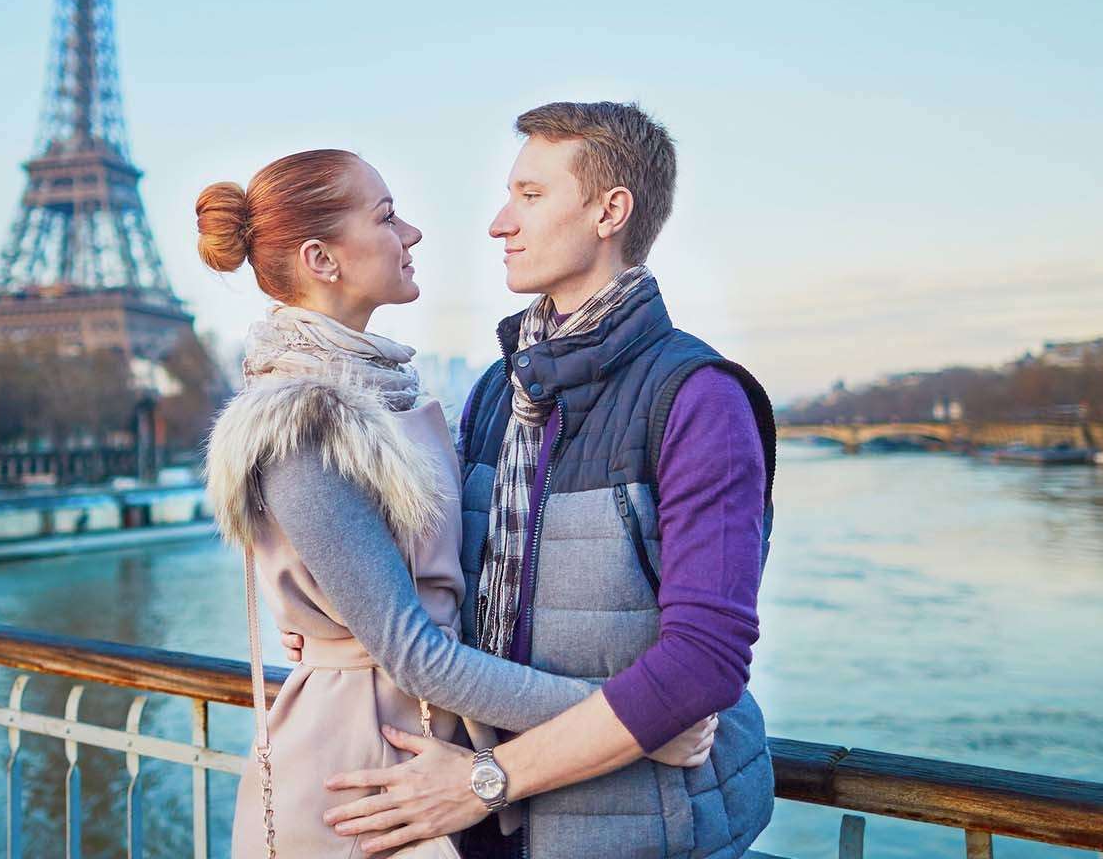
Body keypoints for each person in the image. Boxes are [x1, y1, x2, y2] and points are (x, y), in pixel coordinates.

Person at [199, 148, 716, 859]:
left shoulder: (390, 399)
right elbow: (415, 653)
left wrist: (338, 617)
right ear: (322, 259)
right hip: (363, 775)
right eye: (386, 217)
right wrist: (637, 721)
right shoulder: (302, 425)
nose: (411, 233)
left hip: (421, 751)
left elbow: (436, 582)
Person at [315, 102, 778, 859]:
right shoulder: (497, 392)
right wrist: (335, 626)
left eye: (530, 195)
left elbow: (703, 666)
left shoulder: (699, 399)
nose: (499, 223)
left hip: (642, 833)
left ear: (609, 212)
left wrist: (487, 780)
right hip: (488, 832)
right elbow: (439, 587)